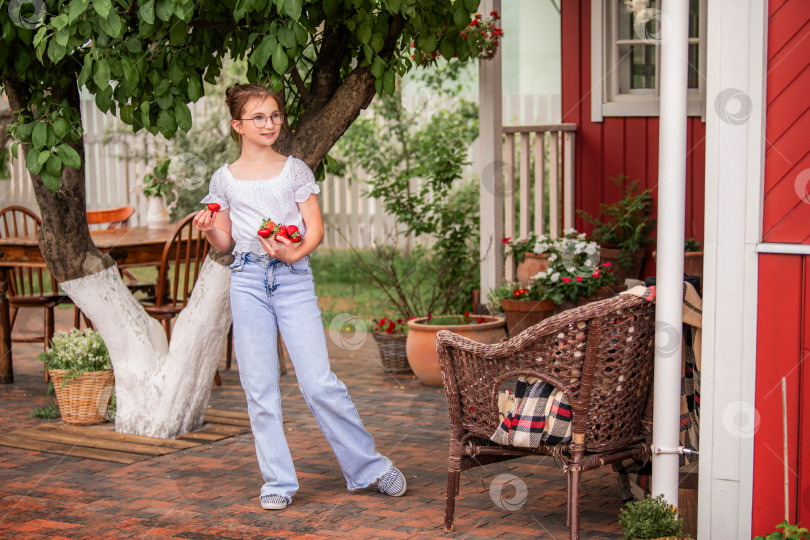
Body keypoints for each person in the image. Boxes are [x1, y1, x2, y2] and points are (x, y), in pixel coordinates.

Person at [193, 83, 406, 511]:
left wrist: (294, 250)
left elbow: (315, 229)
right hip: (247, 279)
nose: (269, 123)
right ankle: (277, 481)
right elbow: (225, 241)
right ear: (238, 125)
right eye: (258, 117)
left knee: (319, 381)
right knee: (259, 386)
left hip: (292, 279)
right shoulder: (224, 178)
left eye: (274, 115)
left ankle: (369, 466)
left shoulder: (295, 170)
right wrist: (209, 227)